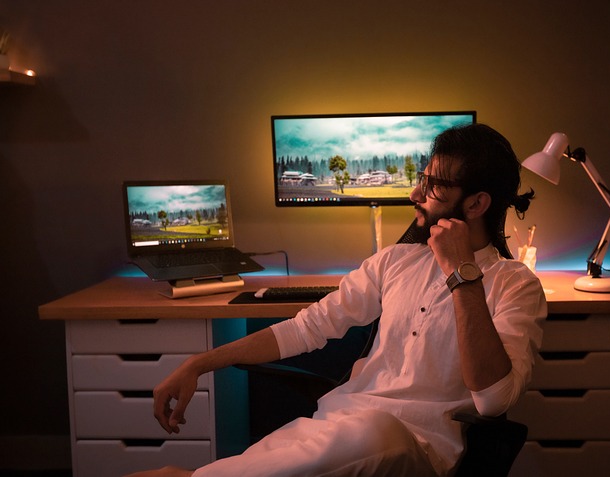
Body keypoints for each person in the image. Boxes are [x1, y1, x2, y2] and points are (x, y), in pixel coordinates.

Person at [126, 123, 546, 477]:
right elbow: (305, 328)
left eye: (434, 185)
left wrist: (462, 274)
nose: (416, 194)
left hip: (417, 444)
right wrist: (199, 362)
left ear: (476, 203)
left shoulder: (515, 285)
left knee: (375, 433)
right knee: (309, 446)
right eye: (423, 179)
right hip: (335, 424)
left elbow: (493, 400)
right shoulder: (396, 261)